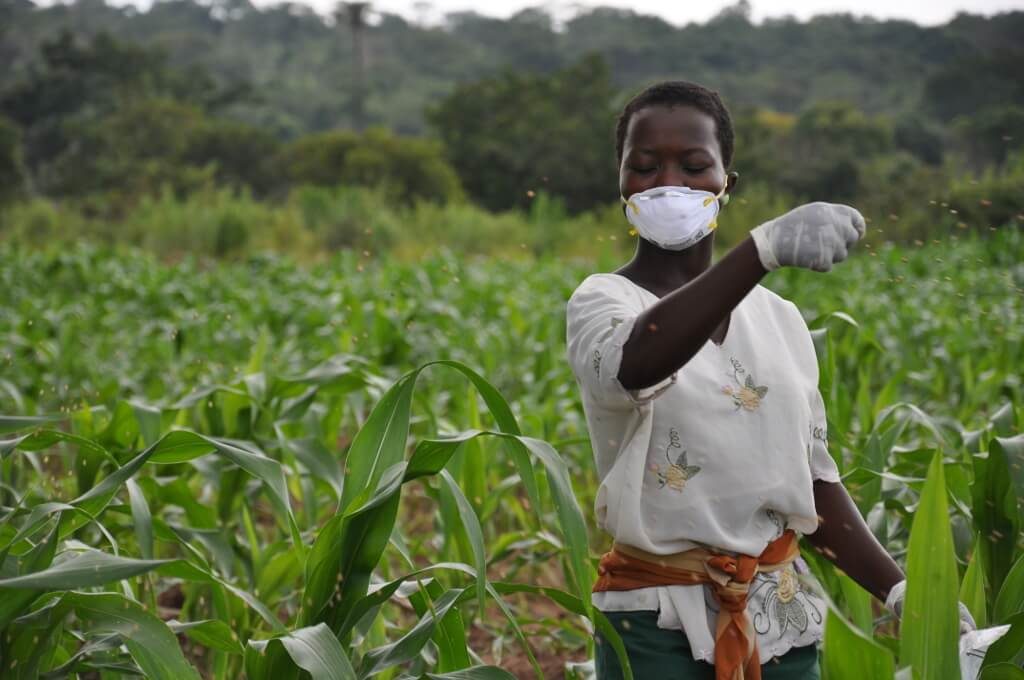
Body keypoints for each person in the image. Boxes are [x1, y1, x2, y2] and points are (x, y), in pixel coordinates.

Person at [565, 81, 974, 680]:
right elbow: (637, 364)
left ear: (726, 182)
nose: (669, 183)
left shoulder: (780, 319)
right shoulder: (603, 302)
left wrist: (900, 590)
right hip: (654, 626)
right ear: (621, 182)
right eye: (645, 166)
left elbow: (812, 483)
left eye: (694, 166)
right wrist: (759, 251)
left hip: (779, 619)